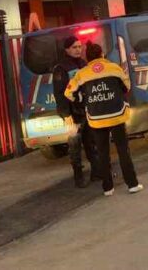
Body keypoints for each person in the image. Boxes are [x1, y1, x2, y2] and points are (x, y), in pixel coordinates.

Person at [65, 42, 142, 196]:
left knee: (102, 152)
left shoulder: (82, 73)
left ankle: (108, 188)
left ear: (88, 58)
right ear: (102, 55)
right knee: (123, 151)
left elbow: (69, 93)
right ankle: (132, 184)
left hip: (96, 118)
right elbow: (127, 87)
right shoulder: (114, 68)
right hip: (117, 115)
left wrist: (83, 98)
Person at [51, 36, 97, 188]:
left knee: (91, 143)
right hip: (72, 114)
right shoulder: (61, 68)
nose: (78, 50)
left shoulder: (84, 64)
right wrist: (66, 115)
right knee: (75, 146)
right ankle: (79, 177)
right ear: (67, 49)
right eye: (74, 47)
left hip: (86, 111)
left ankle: (96, 172)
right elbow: (60, 94)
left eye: (79, 47)